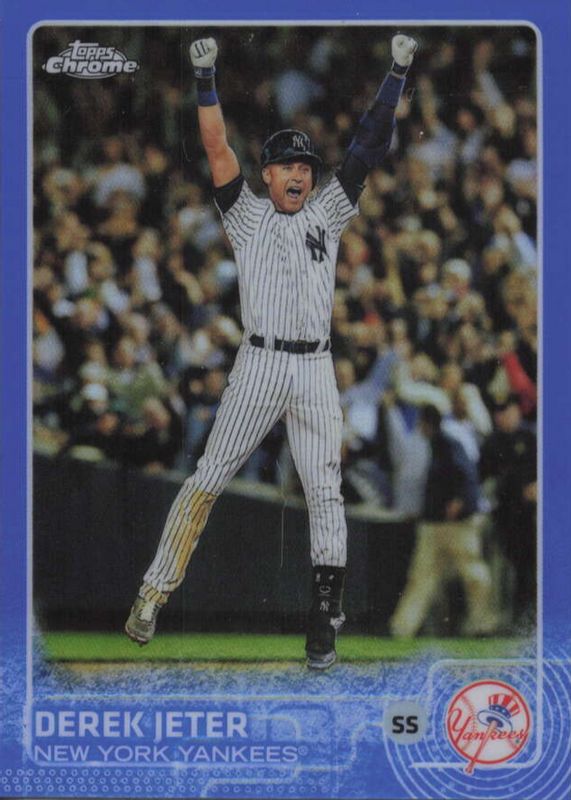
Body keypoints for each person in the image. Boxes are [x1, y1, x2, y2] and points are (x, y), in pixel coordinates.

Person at [126, 32, 418, 669]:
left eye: (305, 167)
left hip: (314, 366)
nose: (299, 174)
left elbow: (369, 144)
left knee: (326, 492)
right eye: (287, 166)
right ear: (267, 174)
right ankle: (152, 593)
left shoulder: (328, 212)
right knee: (208, 478)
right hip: (259, 362)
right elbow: (215, 146)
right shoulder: (246, 215)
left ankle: (324, 622)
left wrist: (396, 71)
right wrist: (206, 80)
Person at [389, 404, 498, 638]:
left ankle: (483, 623)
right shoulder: (431, 446)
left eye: (422, 423)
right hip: (433, 523)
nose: (419, 427)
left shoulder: (449, 444)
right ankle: (401, 628)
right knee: (421, 577)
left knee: (472, 573)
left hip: (457, 525)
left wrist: (459, 499)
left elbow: (467, 476)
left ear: (428, 424)